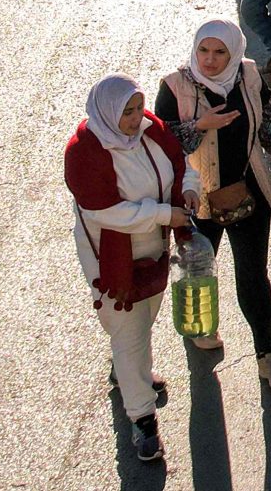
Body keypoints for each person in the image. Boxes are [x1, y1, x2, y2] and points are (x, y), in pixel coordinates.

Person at [156, 21, 271, 391]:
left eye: (220, 52)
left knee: (253, 277)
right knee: (198, 270)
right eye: (204, 51)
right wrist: (200, 125)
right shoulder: (175, 87)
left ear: (233, 52)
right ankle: (201, 328)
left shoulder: (248, 74)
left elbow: (268, 123)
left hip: (248, 193)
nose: (211, 60)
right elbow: (162, 146)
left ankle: (268, 356)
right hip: (197, 199)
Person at [66, 75, 199, 466]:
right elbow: (103, 211)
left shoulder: (151, 130)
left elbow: (180, 163)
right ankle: (142, 418)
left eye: (138, 108)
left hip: (153, 245)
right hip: (113, 256)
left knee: (145, 318)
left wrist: (188, 187)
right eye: (127, 111)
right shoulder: (84, 152)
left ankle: (125, 371)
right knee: (129, 327)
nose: (136, 117)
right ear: (107, 111)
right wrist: (164, 213)